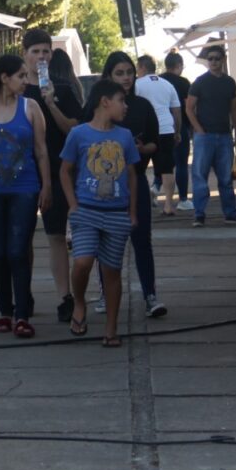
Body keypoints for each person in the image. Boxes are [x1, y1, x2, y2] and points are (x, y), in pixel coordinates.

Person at [0, 54, 52, 338]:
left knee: (18, 251)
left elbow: (41, 151)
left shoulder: (31, 107)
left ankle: (22, 315)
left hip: (25, 190)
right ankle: (4, 312)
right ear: (4, 78)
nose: (25, 80)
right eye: (20, 76)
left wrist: (46, 186)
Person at [60, 79, 139, 347]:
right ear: (105, 102)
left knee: (111, 271)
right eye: (121, 100)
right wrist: (73, 205)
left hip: (116, 213)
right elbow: (65, 171)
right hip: (86, 211)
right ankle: (79, 302)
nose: (125, 106)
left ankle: (111, 328)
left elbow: (132, 175)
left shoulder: (125, 136)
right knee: (82, 262)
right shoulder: (79, 134)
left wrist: (132, 212)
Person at [21, 30, 83, 324]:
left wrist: (51, 103)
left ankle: (65, 297)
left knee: (56, 235)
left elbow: (73, 129)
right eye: (35, 51)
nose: (41, 57)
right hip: (23, 172)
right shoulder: (16, 91)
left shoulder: (63, 90)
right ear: (25, 55)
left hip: (58, 170)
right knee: (22, 238)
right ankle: (23, 294)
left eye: (46, 51)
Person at [101, 51, 166, 318]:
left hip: (136, 179)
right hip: (106, 183)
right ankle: (106, 294)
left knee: (141, 239)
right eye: (120, 73)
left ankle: (150, 294)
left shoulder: (142, 106)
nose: (126, 78)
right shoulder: (99, 106)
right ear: (109, 76)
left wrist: (141, 149)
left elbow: (155, 143)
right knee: (106, 242)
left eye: (129, 72)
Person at [185, 44, 236, 228]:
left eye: (216, 58)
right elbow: (189, 108)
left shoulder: (229, 82)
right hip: (204, 136)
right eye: (210, 59)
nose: (213, 62)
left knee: (226, 178)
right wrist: (199, 129)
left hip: (224, 135)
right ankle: (199, 214)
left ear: (223, 59)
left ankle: (230, 213)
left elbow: (234, 108)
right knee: (200, 176)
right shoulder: (199, 82)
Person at [134, 54, 181, 218]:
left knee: (139, 169)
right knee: (167, 169)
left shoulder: (137, 84)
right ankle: (168, 204)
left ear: (142, 67)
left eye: (137, 68)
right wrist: (177, 132)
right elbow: (176, 111)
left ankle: (140, 204)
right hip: (166, 129)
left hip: (145, 131)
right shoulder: (167, 84)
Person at [157, 52, 193, 211]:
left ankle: (155, 187)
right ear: (178, 65)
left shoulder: (158, 80)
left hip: (160, 126)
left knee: (164, 162)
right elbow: (188, 106)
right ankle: (183, 199)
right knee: (181, 164)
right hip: (179, 126)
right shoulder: (183, 82)